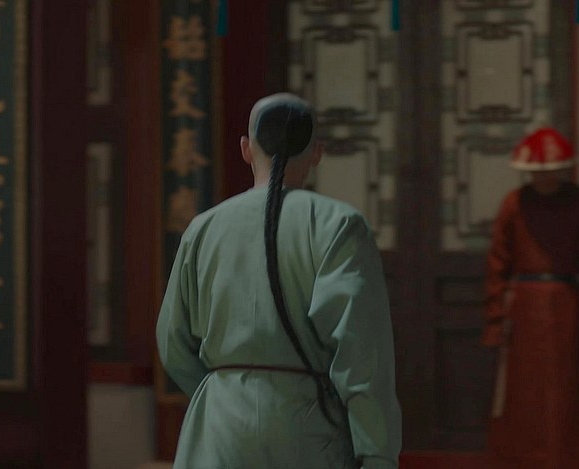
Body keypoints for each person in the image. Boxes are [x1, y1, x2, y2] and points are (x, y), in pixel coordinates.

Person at [156, 93, 401, 469]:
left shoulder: (203, 229)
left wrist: (225, 389)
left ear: (245, 149)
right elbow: (362, 356)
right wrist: (377, 453)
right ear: (317, 152)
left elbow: (173, 344)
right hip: (307, 429)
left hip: (219, 430)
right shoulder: (338, 226)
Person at [482, 128, 579, 469]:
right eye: (537, 171)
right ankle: (521, 461)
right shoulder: (514, 203)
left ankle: (569, 459)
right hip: (523, 308)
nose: (544, 177)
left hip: (567, 304)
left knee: (569, 387)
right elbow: (498, 262)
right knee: (523, 387)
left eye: (550, 170)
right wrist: (495, 317)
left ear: (562, 169)